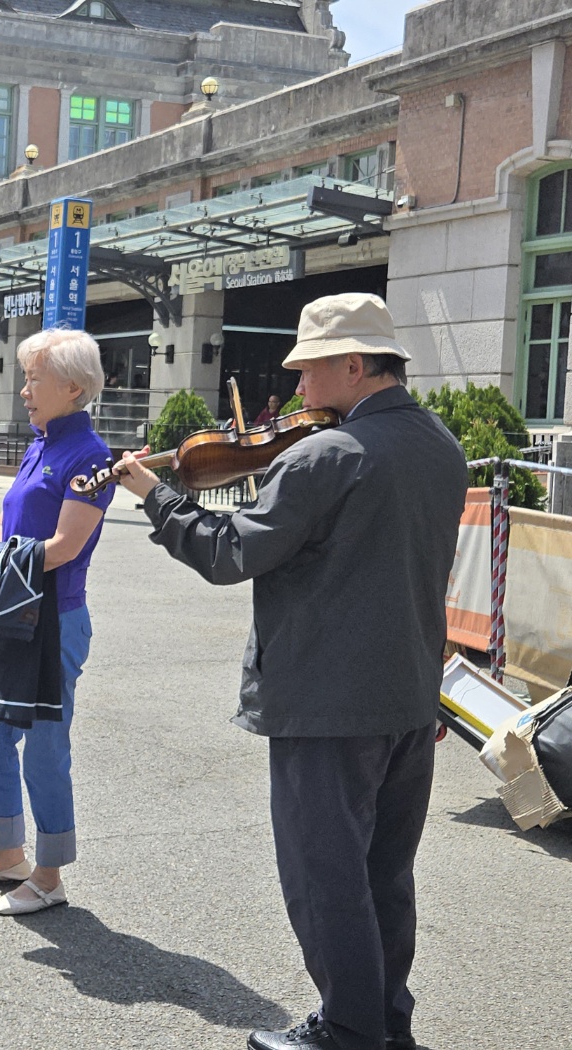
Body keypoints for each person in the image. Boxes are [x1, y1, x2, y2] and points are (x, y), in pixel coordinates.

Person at [113, 293, 467, 1050]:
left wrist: (154, 496)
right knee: (385, 875)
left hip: (326, 703)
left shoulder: (324, 455)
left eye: (308, 369)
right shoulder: (441, 444)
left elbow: (228, 552)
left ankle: (347, 1029)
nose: (298, 386)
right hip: (409, 696)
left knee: (325, 876)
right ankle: (385, 1022)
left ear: (354, 365)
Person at [0, 329, 113, 916]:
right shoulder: (40, 443)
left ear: (73, 388)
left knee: (44, 749)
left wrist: (0, 562)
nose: (24, 391)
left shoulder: (90, 455)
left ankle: (48, 876)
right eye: (25, 378)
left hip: (55, 621)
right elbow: (5, 518)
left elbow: (65, 547)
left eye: (35, 379)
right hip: (12, 611)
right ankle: (8, 854)